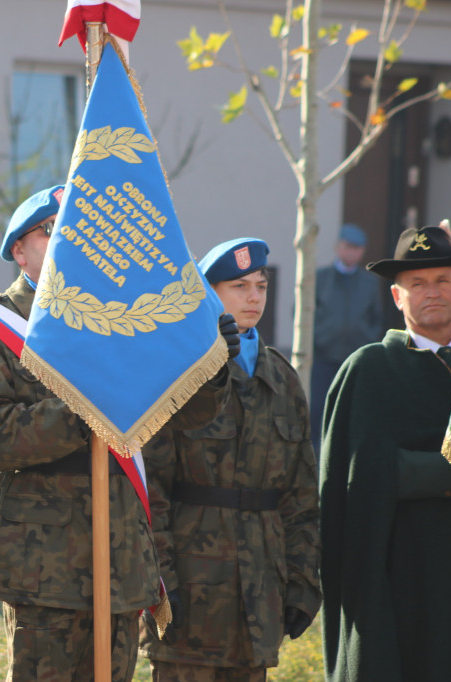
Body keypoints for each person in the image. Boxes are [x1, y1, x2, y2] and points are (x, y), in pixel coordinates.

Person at [0, 186, 237, 681]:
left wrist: (210, 365)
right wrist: (86, 411)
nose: (66, 243)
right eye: (50, 232)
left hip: (121, 558)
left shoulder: (119, 319)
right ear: (18, 250)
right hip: (43, 566)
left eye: (77, 233)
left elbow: (185, 415)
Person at [139, 238, 322, 682]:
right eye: (238, 286)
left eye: (260, 285)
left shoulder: (281, 376)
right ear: (209, 294)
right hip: (192, 590)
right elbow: (151, 489)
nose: (254, 297)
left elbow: (300, 495)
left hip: (259, 596)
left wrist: (302, 582)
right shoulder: (178, 371)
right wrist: (161, 583)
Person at [320, 225, 451, 682]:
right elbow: (365, 479)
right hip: (407, 597)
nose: (431, 292)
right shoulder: (372, 370)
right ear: (397, 297)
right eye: (417, 284)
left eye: (441, 280)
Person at [310, 223, 382, 451]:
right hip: (323, 357)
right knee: (319, 409)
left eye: (357, 248)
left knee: (353, 409)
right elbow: (302, 312)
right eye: (348, 246)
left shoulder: (369, 282)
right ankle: (317, 458)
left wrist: (367, 341)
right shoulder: (320, 278)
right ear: (338, 247)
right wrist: (318, 338)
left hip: (355, 359)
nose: (352, 252)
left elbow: (376, 317)